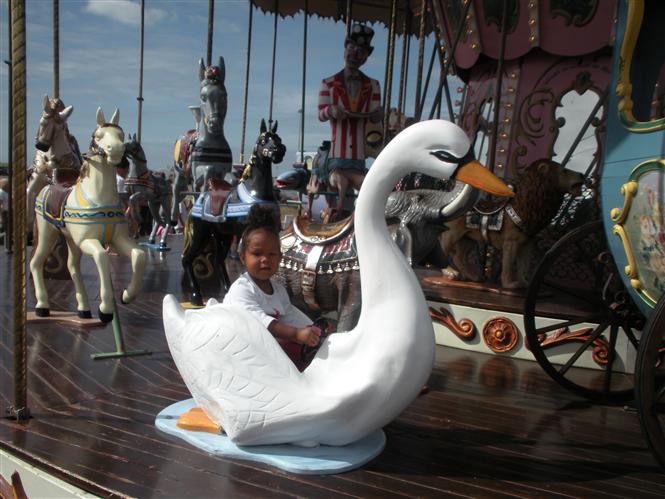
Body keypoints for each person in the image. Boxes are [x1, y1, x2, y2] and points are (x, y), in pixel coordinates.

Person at [222, 205, 322, 371]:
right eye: (257, 253)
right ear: (243, 257)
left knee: (313, 352)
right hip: (242, 351)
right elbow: (260, 322)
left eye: (272, 254)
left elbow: (290, 316)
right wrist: (296, 334)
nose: (265, 259)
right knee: (295, 355)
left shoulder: (279, 290)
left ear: (280, 258)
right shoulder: (242, 289)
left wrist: (312, 330)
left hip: (268, 351)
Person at [318, 22, 383, 221]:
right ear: (345, 48)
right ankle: (332, 209)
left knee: (371, 188)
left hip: (358, 158)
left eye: (361, 52)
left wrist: (377, 116)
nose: (355, 54)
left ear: (366, 56)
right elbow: (321, 114)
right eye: (352, 49)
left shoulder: (372, 85)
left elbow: (375, 116)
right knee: (333, 180)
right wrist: (331, 110)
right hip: (338, 157)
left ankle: (366, 216)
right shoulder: (328, 83)